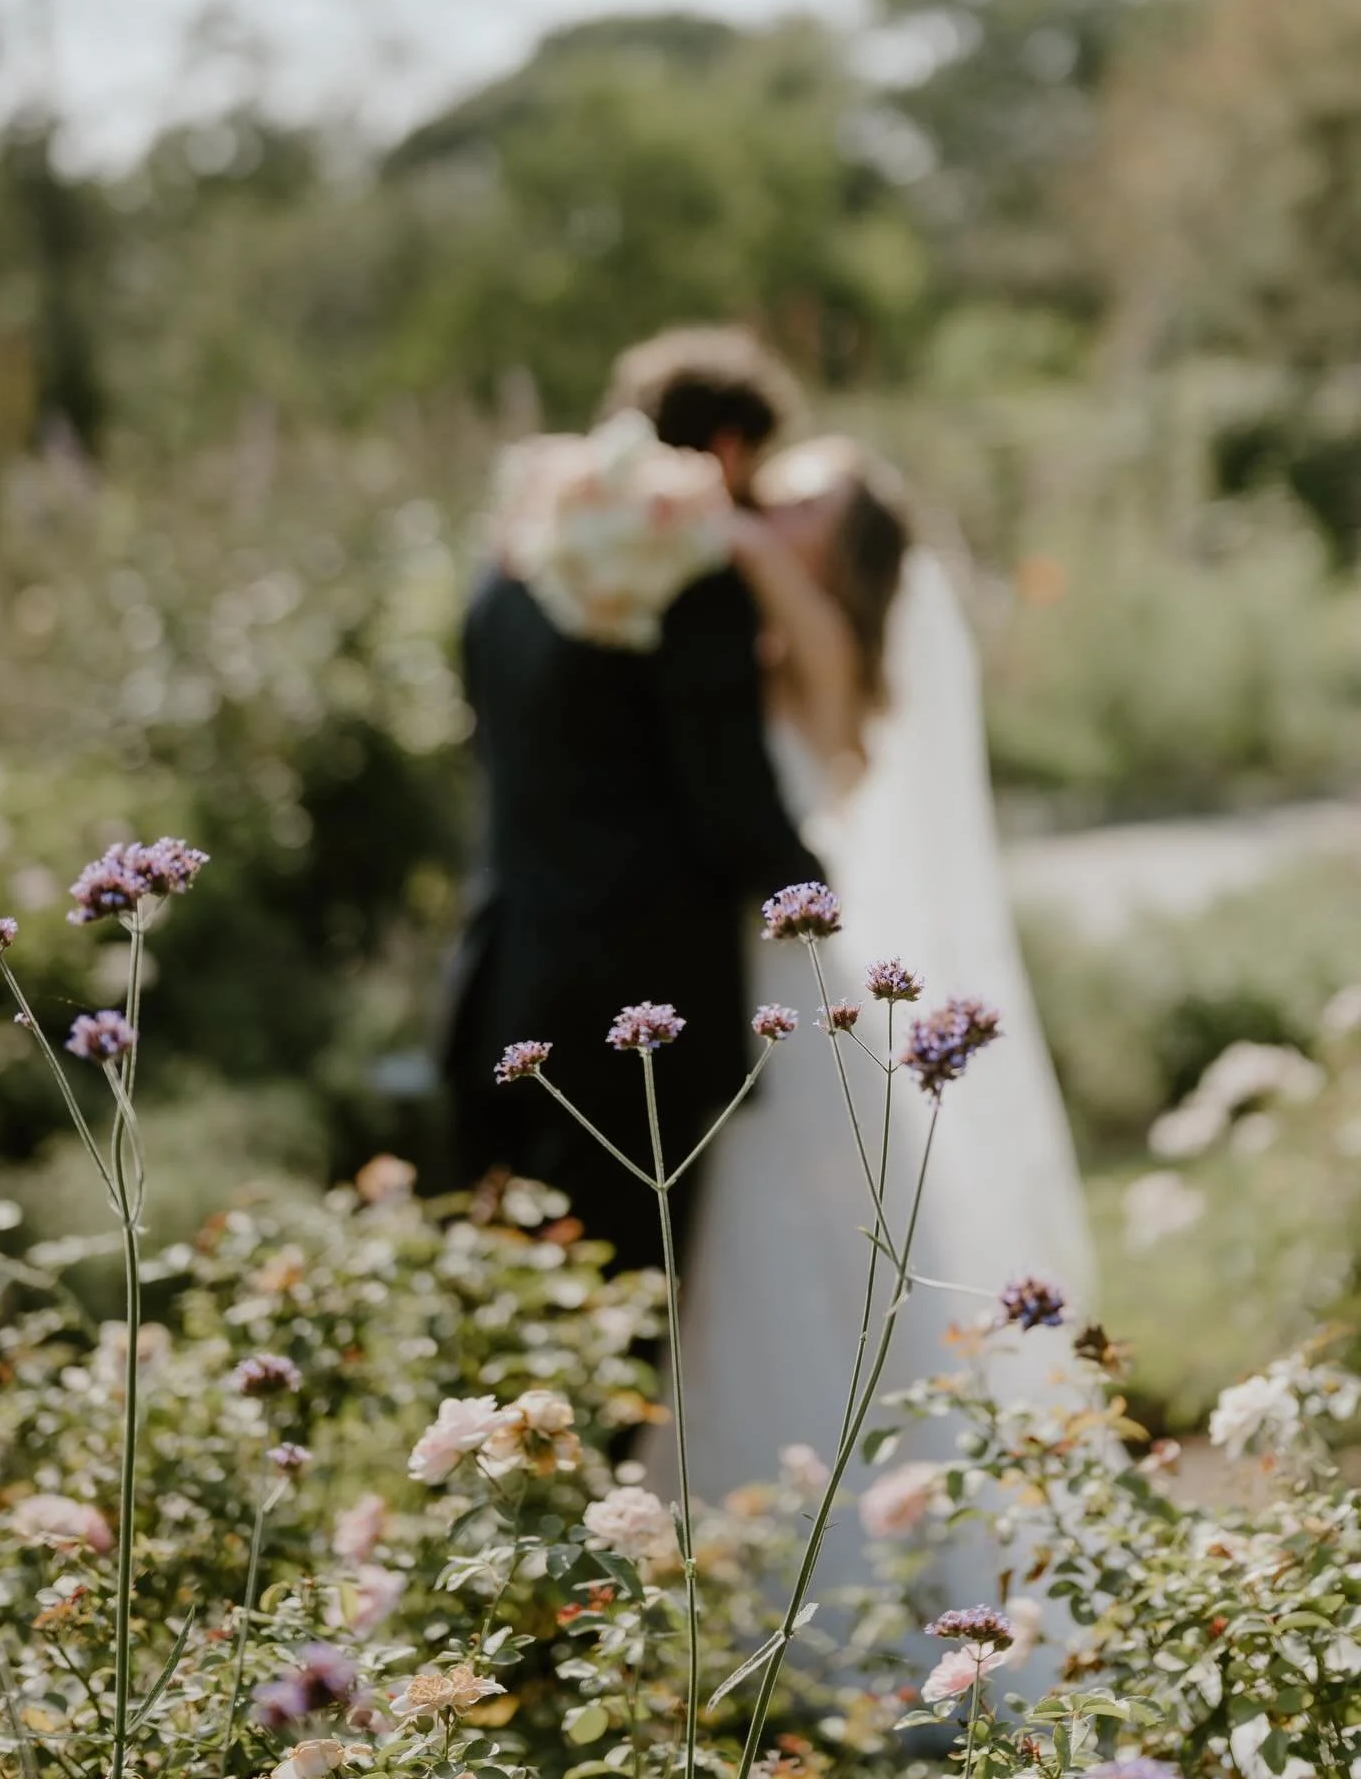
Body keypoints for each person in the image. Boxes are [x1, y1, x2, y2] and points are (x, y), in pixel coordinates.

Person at [657, 435, 1095, 1622]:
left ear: (836, 553)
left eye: (803, 504)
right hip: (736, 980)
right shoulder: (750, 625)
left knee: (803, 1255)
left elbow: (745, 550)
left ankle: (848, 1601)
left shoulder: (825, 643)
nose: (767, 506)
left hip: (796, 996)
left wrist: (684, 507)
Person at [440, 328, 825, 1276]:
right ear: (728, 451)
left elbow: (488, 743)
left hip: (504, 975)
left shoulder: (511, 561)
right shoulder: (688, 577)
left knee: (511, 1311)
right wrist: (813, 892)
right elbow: (726, 796)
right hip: (633, 1008)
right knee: (618, 1312)